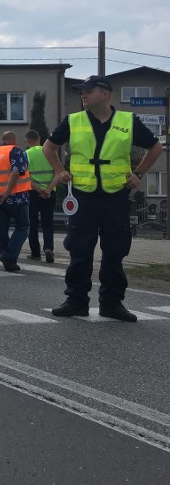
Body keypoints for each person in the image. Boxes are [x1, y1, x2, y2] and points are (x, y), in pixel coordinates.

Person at [44, 75, 162, 322]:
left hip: (115, 195)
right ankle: (76, 301)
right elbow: (49, 147)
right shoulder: (73, 120)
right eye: (82, 92)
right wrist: (59, 171)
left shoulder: (127, 121)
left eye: (88, 91)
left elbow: (156, 148)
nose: (83, 95)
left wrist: (138, 173)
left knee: (115, 250)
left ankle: (112, 303)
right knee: (80, 249)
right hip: (83, 196)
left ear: (105, 94)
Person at [0, 131, 31, 272]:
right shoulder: (15, 150)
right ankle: (9, 256)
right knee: (23, 227)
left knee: (2, 230)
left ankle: (7, 260)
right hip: (16, 197)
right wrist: (6, 193)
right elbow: (16, 172)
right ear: (13, 140)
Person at [25, 129, 56, 263]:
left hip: (33, 193)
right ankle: (48, 248)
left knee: (32, 223)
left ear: (28, 141)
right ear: (40, 139)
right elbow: (58, 173)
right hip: (50, 193)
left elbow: (25, 177)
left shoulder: (26, 154)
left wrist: (38, 189)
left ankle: (35, 253)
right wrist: (48, 189)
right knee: (48, 222)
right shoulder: (50, 152)